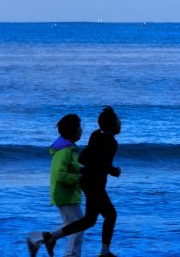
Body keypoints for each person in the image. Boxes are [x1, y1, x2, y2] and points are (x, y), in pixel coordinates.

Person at [41, 106, 122, 257]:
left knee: (90, 220)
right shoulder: (111, 143)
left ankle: (52, 237)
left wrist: (89, 169)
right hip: (95, 184)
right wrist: (114, 171)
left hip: (87, 182)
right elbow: (103, 165)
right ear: (112, 126)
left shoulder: (96, 135)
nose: (120, 123)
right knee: (110, 215)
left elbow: (82, 159)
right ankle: (104, 252)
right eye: (118, 121)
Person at [26, 113, 85, 257]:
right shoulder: (64, 151)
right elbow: (60, 174)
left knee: (71, 225)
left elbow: (72, 168)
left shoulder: (69, 150)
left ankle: (37, 239)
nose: (81, 130)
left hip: (68, 194)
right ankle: (70, 254)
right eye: (79, 127)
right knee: (79, 225)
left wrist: (83, 170)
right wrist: (79, 177)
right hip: (65, 194)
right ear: (72, 131)